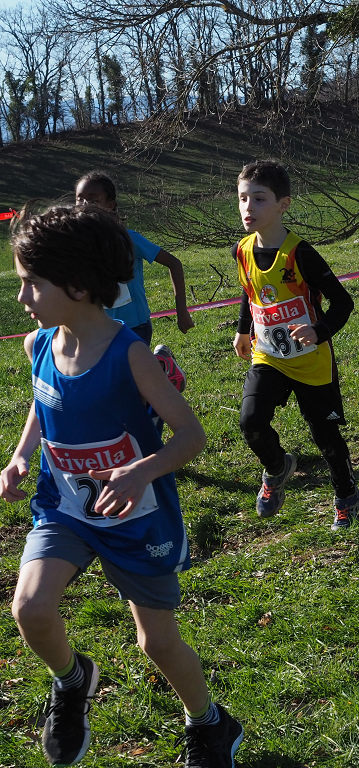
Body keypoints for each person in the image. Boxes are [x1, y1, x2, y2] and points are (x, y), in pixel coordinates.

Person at [0, 205, 243, 767]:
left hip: (136, 518)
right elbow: (43, 402)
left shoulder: (130, 354)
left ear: (78, 285)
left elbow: (191, 436)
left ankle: (209, 723)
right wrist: (19, 457)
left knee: (156, 642)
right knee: (30, 608)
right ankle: (72, 681)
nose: (21, 297)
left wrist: (141, 471)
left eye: (32, 283)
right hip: (64, 509)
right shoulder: (40, 345)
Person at [232, 160, 359, 530]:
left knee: (325, 435)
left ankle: (347, 494)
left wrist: (319, 331)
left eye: (259, 199)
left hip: (311, 361)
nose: (248, 207)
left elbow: (343, 303)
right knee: (251, 422)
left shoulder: (300, 254)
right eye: (242, 198)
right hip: (268, 356)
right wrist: (243, 330)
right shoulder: (241, 250)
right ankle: (277, 467)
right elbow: (250, 291)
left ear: (282, 205)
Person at [74, 171, 193, 392]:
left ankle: (161, 367)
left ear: (111, 205)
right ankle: (160, 364)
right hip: (97, 329)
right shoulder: (77, 247)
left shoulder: (129, 240)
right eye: (80, 199)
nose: (84, 205)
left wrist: (182, 310)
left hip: (135, 327)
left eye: (93, 200)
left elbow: (174, 264)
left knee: (128, 384)